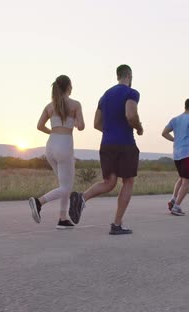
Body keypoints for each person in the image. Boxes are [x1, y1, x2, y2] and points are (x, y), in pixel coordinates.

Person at [69, 64, 143, 235]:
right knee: (128, 181)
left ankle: (82, 197)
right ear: (129, 76)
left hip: (106, 143)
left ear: (117, 76)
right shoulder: (132, 93)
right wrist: (138, 128)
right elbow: (131, 115)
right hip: (125, 143)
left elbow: (96, 123)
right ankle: (117, 224)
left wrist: (110, 131)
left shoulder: (105, 96)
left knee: (109, 182)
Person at [28, 75, 85, 229]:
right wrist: (75, 122)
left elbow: (39, 126)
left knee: (63, 185)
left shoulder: (49, 106)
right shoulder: (75, 104)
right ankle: (39, 202)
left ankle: (62, 219)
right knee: (66, 187)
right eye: (71, 86)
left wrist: (53, 133)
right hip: (65, 145)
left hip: (50, 145)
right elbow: (81, 126)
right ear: (68, 87)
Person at [162, 98, 189, 216]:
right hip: (187, 152)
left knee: (181, 178)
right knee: (187, 181)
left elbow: (164, 133)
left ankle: (173, 200)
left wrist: (175, 139)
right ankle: (177, 206)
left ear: (185, 106)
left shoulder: (175, 120)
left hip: (176, 153)